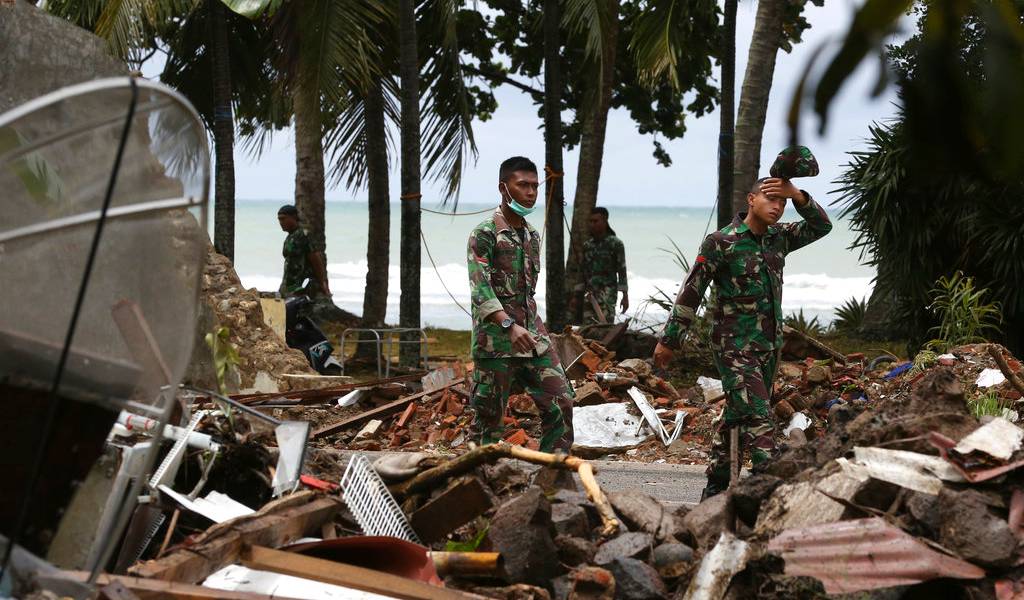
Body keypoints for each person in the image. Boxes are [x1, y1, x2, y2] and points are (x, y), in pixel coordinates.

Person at [653, 150, 831, 499]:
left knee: (737, 416)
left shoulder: (779, 238)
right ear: (751, 199)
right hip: (733, 349)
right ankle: (769, 494)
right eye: (771, 198)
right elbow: (692, 290)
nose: (777, 207)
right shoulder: (722, 242)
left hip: (768, 348)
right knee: (761, 418)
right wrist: (669, 340)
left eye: (782, 202)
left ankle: (714, 493)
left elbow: (822, 226)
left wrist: (798, 195)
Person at [466, 156, 575, 453]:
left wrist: (531, 328)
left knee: (561, 402)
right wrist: (508, 325)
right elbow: (480, 289)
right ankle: (479, 488)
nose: (531, 192)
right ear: (504, 188)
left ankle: (553, 481)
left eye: (535, 186)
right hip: (496, 342)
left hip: (532, 339)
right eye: (522, 185)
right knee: (488, 422)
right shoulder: (485, 233)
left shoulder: (531, 235)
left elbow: (528, 292)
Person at [572, 207, 628, 324]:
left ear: (605, 221)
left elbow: (622, 271)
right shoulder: (588, 246)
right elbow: (581, 272)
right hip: (589, 295)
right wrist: (576, 296)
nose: (592, 224)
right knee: (588, 329)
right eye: (590, 221)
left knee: (605, 328)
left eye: (596, 221)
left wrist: (625, 296)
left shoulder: (615, 244)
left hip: (607, 295)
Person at [277, 204, 330, 300]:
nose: (281, 222)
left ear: (293, 217)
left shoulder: (303, 235)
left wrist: (323, 283)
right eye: (279, 219)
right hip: (288, 286)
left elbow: (316, 259)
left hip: (300, 287)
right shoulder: (290, 237)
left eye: (283, 219)